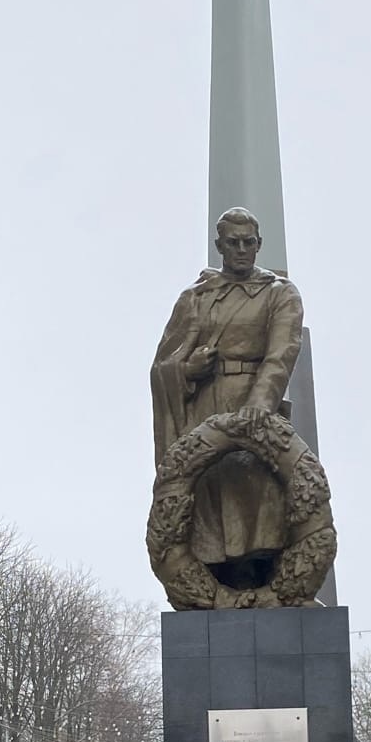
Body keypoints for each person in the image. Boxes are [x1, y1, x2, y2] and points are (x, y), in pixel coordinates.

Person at [149, 206, 305, 591]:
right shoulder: (197, 298)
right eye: (232, 243)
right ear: (219, 246)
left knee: (258, 492)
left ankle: (265, 577)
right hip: (204, 409)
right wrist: (186, 370)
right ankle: (216, 581)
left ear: (259, 244)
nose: (241, 249)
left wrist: (259, 405)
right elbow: (162, 364)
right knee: (212, 500)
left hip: (254, 405)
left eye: (248, 242)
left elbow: (282, 353)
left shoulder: (279, 294)